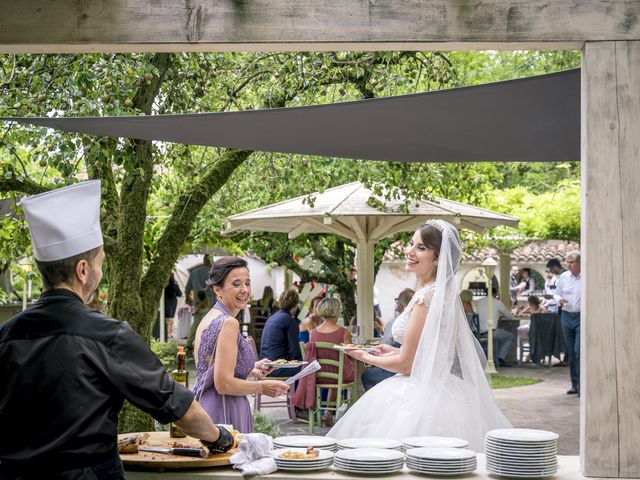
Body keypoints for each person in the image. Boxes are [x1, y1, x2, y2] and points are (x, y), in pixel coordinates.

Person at [0, 181, 233, 479]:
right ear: (83, 271)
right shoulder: (109, 336)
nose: (102, 270)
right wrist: (218, 437)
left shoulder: (6, 335)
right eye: (100, 262)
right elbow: (181, 409)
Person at [328, 220, 511, 449]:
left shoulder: (426, 297)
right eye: (411, 243)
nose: (410, 251)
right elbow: (428, 351)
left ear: (438, 258)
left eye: (421, 247)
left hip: (420, 391)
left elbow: (406, 365)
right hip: (446, 388)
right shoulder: (440, 293)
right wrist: (392, 350)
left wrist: (364, 357)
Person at [192, 257, 289, 432]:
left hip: (207, 406)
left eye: (247, 283)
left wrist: (250, 368)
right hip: (225, 409)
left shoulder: (209, 317)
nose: (244, 290)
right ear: (217, 289)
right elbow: (223, 384)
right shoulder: (229, 323)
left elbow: (213, 366)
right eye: (236, 284)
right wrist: (262, 387)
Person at [305, 297, 355, 426]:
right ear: (337, 312)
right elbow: (351, 353)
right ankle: (345, 411)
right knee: (344, 371)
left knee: (333, 371)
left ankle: (327, 413)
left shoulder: (313, 333)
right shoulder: (344, 332)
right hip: (339, 376)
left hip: (318, 376)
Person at [361, 288, 414, 391]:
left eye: (397, 301)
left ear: (400, 305)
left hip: (393, 369)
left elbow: (383, 347)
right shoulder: (421, 322)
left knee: (366, 376)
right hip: (414, 369)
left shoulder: (394, 323)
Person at [259, 288, 303, 377]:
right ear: (295, 305)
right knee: (309, 369)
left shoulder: (272, 318)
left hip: (265, 365)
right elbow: (295, 351)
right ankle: (298, 391)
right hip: (277, 368)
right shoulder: (290, 321)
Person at [554, 251, 581, 395]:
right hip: (566, 316)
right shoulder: (564, 277)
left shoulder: (586, 276)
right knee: (571, 351)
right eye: (567, 262)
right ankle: (574, 385)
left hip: (581, 317)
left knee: (578, 351)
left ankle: (583, 385)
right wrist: (559, 300)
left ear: (579, 263)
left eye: (572, 262)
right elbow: (556, 293)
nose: (568, 265)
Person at [476, 286, 516, 367]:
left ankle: (493, 358)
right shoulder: (497, 302)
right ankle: (501, 358)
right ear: (495, 294)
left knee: (497, 337)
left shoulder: (479, 302)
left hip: (479, 332)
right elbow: (509, 316)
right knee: (510, 337)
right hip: (492, 331)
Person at [185, 290, 212, 357]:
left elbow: (194, 313)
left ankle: (188, 346)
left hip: (198, 321)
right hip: (205, 322)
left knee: (192, 334)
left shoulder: (199, 304)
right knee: (204, 335)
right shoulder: (208, 304)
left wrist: (195, 311)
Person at [164, 272, 182, 338]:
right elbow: (179, 294)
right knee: (171, 318)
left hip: (167, 302)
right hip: (172, 302)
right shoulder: (174, 285)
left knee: (168, 318)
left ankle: (168, 333)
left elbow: (179, 294)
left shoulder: (165, 285)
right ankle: (170, 333)